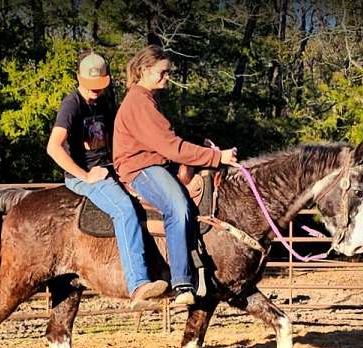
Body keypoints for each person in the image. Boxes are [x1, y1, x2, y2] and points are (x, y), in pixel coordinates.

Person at [113, 45, 238, 306]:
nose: (166, 77)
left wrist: (198, 144)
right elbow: (171, 147)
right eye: (162, 72)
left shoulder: (147, 99)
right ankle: (182, 282)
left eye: (168, 72)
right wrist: (218, 157)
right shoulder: (139, 102)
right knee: (178, 207)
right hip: (140, 168)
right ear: (145, 70)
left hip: (151, 162)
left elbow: (167, 139)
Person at [46, 50, 167, 308]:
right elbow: (53, 147)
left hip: (111, 168)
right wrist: (86, 175)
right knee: (124, 211)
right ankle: (137, 284)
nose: (95, 92)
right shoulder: (72, 104)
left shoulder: (105, 101)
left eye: (100, 87)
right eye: (91, 87)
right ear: (78, 78)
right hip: (85, 175)